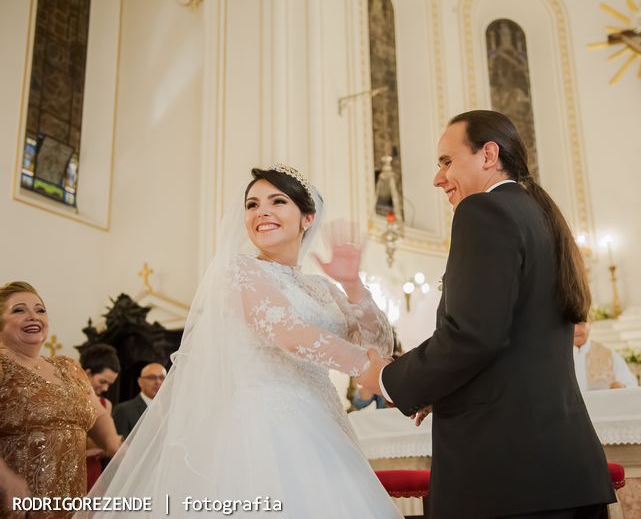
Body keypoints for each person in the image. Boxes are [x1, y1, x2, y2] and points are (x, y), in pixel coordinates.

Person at [82, 166, 401, 518]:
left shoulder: (323, 288)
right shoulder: (238, 272)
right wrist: (371, 370)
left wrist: (353, 284)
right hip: (259, 427)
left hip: (324, 424)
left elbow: (378, 343)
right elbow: (289, 333)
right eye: (252, 205)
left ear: (307, 218)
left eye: (277, 201)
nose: (261, 212)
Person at [360, 110, 616, 518]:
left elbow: (474, 336)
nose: (437, 178)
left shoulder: (482, 212)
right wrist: (437, 386)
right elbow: (510, 336)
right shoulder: (539, 213)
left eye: (446, 161)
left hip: (507, 473)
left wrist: (388, 379)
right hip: (562, 467)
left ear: (488, 154)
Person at [0, 281, 121, 519]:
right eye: (19, 310)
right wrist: (6, 480)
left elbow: (98, 415)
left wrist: (115, 445)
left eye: (40, 310)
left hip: (71, 506)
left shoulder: (68, 367)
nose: (33, 316)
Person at [79, 344, 121, 489]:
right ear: (87, 372)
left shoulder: (105, 404)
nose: (105, 389)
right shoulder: (69, 398)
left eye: (109, 384)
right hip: (71, 467)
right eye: (102, 381)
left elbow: (106, 443)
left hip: (93, 468)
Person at [573, 322, 638, 391]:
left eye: (580, 324)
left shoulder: (609, 355)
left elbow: (631, 385)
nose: (576, 330)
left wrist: (621, 387)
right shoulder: (560, 357)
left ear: (589, 324)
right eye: (571, 325)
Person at [111, 363, 166, 438]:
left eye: (162, 378)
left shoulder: (171, 409)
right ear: (140, 381)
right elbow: (120, 446)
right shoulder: (123, 410)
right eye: (152, 377)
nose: (158, 382)